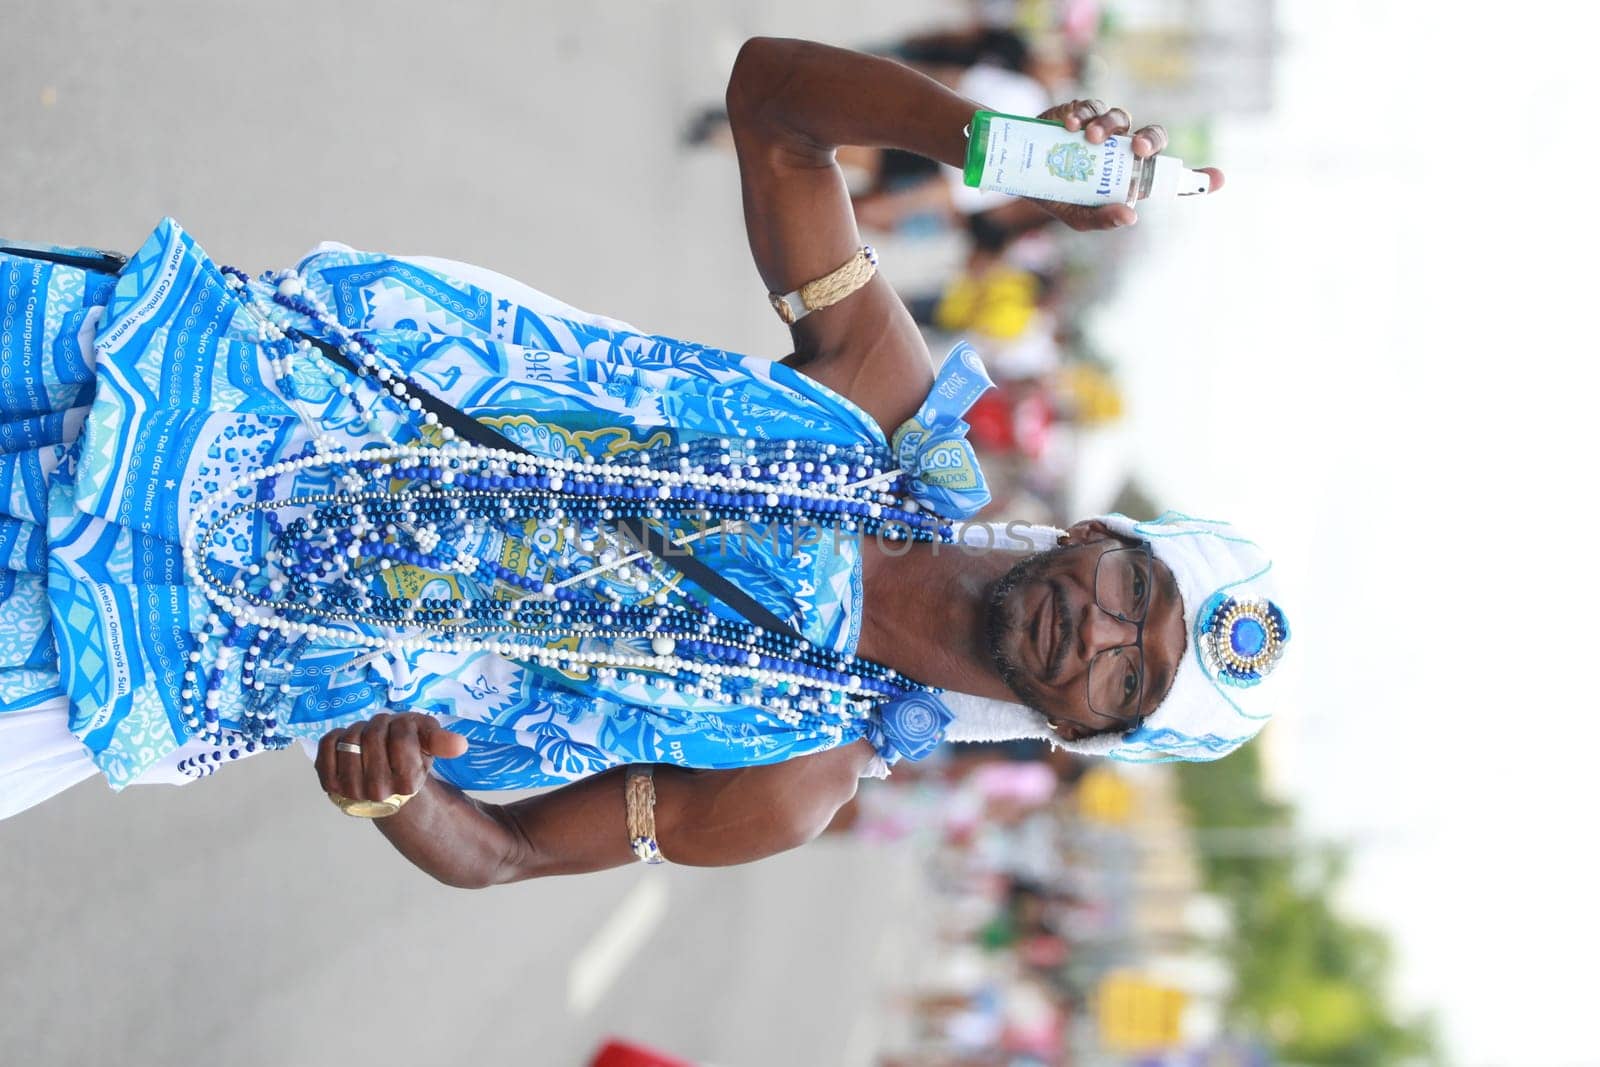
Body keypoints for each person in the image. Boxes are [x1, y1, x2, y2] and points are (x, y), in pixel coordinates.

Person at [0, 38, 1287, 887]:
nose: (1102, 632)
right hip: (160, 360)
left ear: (1083, 730)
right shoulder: (883, 412)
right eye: (1138, 593)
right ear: (1097, 540)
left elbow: (499, 851)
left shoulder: (791, 783)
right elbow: (774, 111)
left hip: (128, 641)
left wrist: (391, 794)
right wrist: (997, 150)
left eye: (1132, 675)